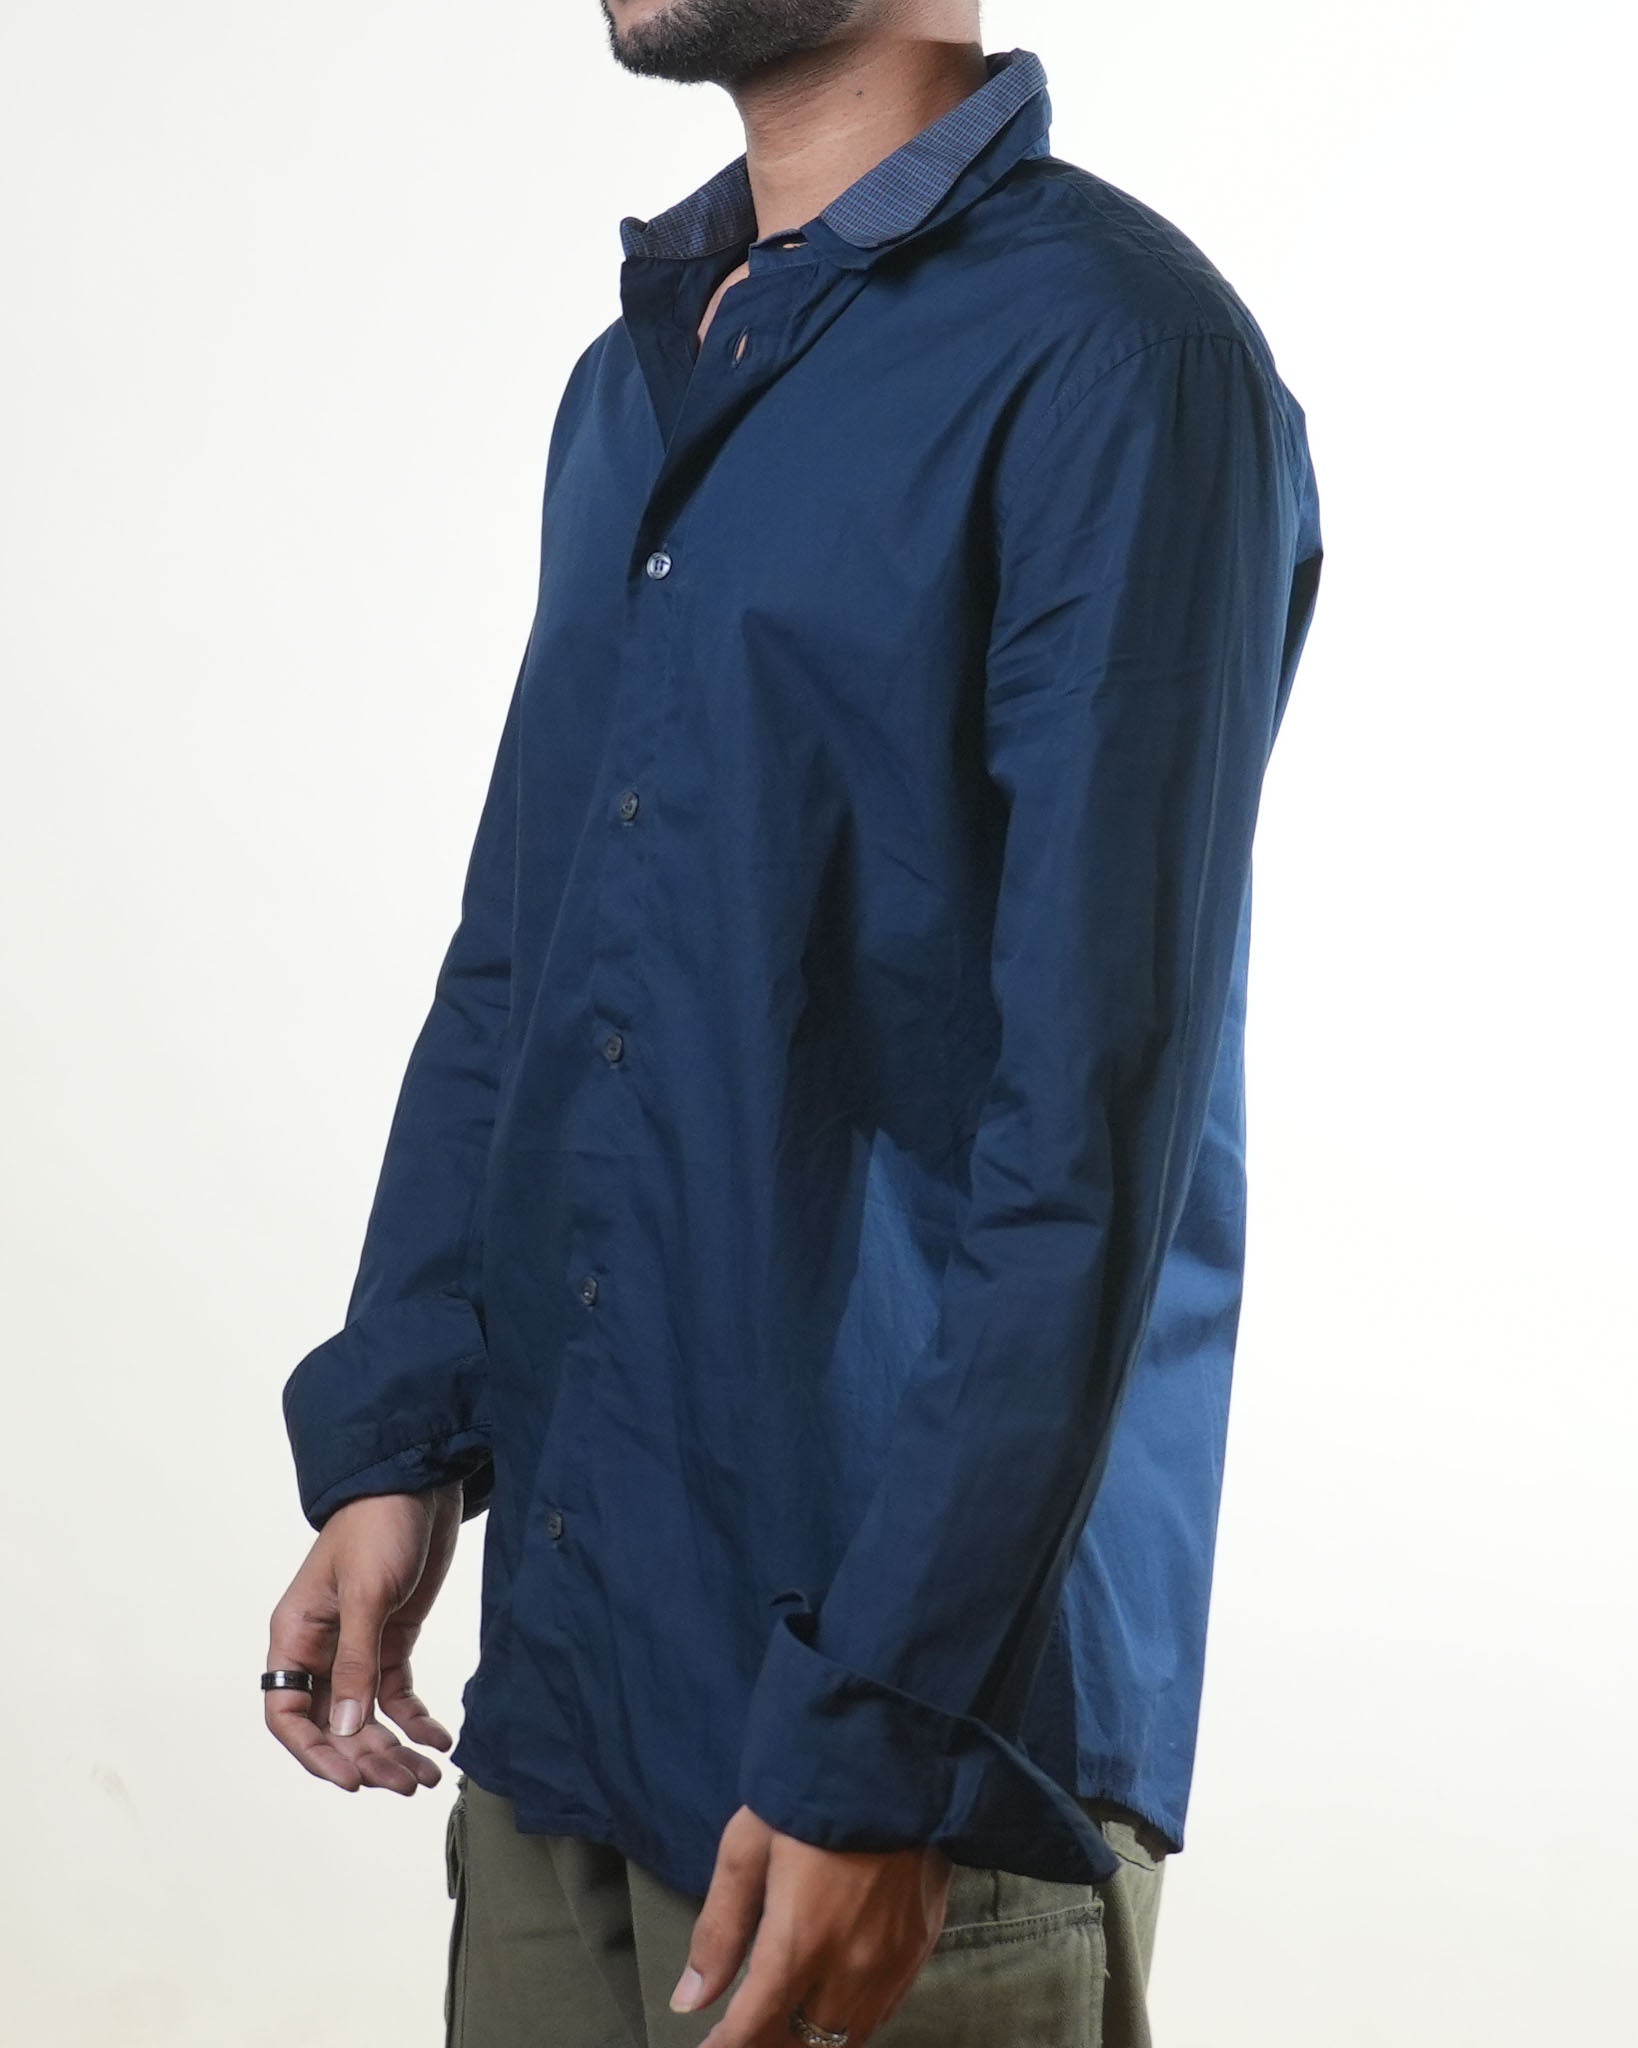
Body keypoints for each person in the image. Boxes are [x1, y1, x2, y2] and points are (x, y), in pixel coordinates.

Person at [264, 3, 1324, 2043]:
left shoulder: (1122, 360)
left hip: (897, 1759)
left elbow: (1090, 1133)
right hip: (572, 1688)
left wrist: (890, 1728)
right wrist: (400, 1436)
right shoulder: (638, 377)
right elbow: (524, 953)